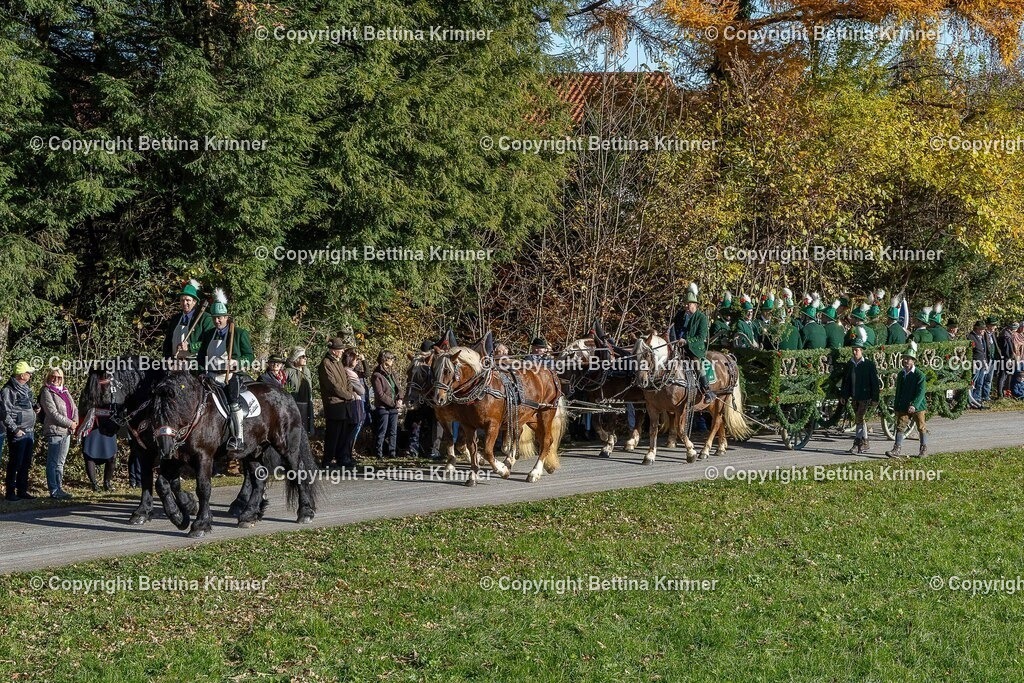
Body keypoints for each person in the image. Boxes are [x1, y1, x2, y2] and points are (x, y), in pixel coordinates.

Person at [196, 289, 255, 452]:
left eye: (220, 318)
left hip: (230, 376)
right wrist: (201, 370)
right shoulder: (208, 334)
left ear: (226, 317)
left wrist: (237, 362)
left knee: (233, 403)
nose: (217, 321)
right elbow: (201, 357)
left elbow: (250, 356)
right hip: (209, 376)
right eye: (215, 318)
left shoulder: (239, 333)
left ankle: (238, 438)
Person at [670, 282, 713, 405]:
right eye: (685, 304)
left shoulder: (701, 318)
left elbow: (701, 337)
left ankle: (706, 389)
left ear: (695, 304)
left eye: (689, 304)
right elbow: (672, 328)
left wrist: (687, 341)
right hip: (676, 346)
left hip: (694, 348)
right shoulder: (679, 315)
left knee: (696, 363)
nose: (686, 306)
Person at [317, 338, 358, 468]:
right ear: (333, 351)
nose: (342, 352)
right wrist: (348, 395)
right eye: (340, 349)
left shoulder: (338, 363)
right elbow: (332, 386)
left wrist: (349, 393)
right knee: (332, 435)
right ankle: (327, 460)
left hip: (344, 404)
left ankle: (341, 458)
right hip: (333, 404)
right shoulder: (325, 364)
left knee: (343, 434)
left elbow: (347, 381)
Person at [38, 367, 78, 499]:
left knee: (60, 462)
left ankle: (59, 488)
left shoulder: (65, 391)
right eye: (53, 377)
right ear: (48, 377)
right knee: (53, 462)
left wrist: (75, 423)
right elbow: (52, 413)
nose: (56, 379)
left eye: (59, 377)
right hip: (55, 430)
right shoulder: (46, 391)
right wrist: (69, 423)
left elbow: (74, 408)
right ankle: (54, 489)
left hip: (66, 431)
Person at [840, 328, 880, 454]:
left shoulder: (868, 365)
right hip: (855, 395)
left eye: (857, 350)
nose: (854, 352)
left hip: (865, 395)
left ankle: (858, 441)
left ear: (862, 351)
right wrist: (844, 395)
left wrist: (875, 398)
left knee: (859, 418)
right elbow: (846, 382)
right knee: (859, 419)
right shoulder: (850, 364)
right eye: (853, 350)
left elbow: (874, 382)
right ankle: (864, 442)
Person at [886, 342, 928, 458]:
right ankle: (896, 449)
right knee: (900, 426)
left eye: (908, 359)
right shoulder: (901, 374)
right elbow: (898, 391)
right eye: (904, 358)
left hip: (918, 406)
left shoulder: (920, 375)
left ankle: (923, 449)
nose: (905, 361)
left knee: (921, 426)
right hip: (904, 404)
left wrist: (914, 405)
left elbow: (921, 392)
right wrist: (896, 406)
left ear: (913, 361)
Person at [2, 361, 38, 501]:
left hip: (29, 430)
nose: (30, 374)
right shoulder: (8, 390)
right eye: (28, 372)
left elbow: (26, 406)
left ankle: (22, 490)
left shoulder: (26, 389)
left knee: (26, 463)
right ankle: (10, 492)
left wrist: (35, 409)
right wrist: (15, 429)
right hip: (19, 431)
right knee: (15, 462)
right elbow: (5, 413)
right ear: (22, 374)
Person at [162, 279, 214, 359]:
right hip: (175, 364)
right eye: (182, 300)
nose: (184, 303)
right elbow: (167, 341)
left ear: (195, 301)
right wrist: (167, 358)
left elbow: (210, 342)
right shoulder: (175, 319)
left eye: (188, 300)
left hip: (195, 365)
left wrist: (191, 347)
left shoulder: (205, 319)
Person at [371, 350, 403, 459]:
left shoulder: (392, 373)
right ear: (385, 359)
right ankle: (378, 453)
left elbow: (398, 388)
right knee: (382, 431)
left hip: (393, 406)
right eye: (391, 358)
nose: (393, 361)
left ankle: (392, 453)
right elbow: (380, 394)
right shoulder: (377, 375)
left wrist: (400, 399)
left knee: (393, 431)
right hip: (383, 407)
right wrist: (394, 403)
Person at [81, 403, 118, 491]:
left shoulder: (112, 389)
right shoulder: (89, 391)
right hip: (92, 425)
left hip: (109, 424)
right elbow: (83, 407)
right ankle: (94, 484)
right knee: (89, 455)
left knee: (112, 455)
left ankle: (107, 483)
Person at [341, 349, 365, 465]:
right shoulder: (350, 373)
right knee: (352, 430)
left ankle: (348, 455)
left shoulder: (343, 371)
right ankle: (346, 455)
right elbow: (361, 390)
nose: (356, 362)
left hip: (351, 402)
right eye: (355, 360)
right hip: (354, 402)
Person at [285, 347, 314, 435]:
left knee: (304, 430)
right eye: (303, 356)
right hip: (293, 405)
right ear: (296, 358)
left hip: (306, 405)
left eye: (306, 356)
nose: (305, 358)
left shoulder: (307, 371)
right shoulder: (287, 371)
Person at [967, 320, 989, 407]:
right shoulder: (970, 337)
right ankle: (970, 400)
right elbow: (970, 352)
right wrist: (972, 362)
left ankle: (977, 399)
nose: (983, 331)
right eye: (981, 329)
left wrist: (985, 362)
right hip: (975, 363)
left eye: (983, 329)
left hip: (982, 363)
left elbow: (984, 351)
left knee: (980, 382)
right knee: (973, 383)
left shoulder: (982, 337)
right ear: (977, 328)